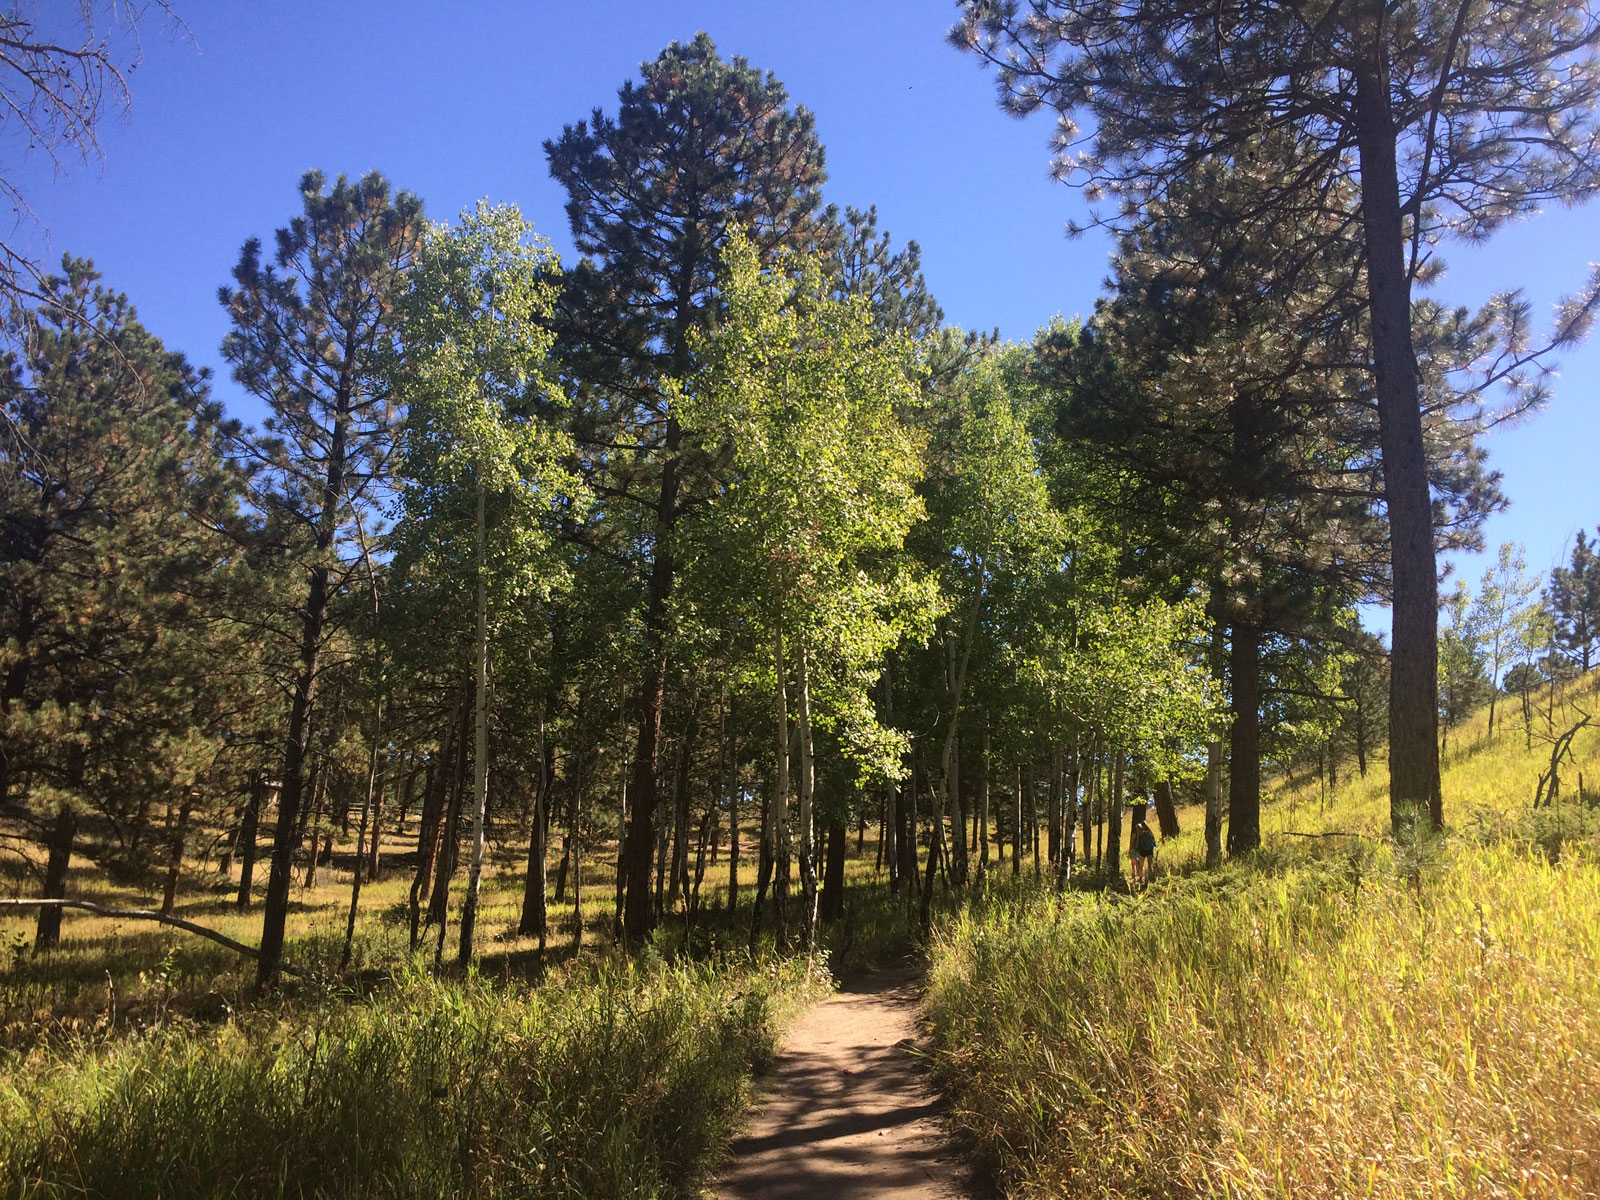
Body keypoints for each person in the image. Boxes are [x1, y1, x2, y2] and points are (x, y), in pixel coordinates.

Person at [1130, 816, 1157, 888]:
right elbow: (1153, 842)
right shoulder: (1150, 833)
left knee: (1141, 865)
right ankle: (1150, 878)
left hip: (1142, 851)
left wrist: (1135, 848)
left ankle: (1141, 878)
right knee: (1150, 865)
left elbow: (1138, 842)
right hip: (1150, 850)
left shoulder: (1141, 833)